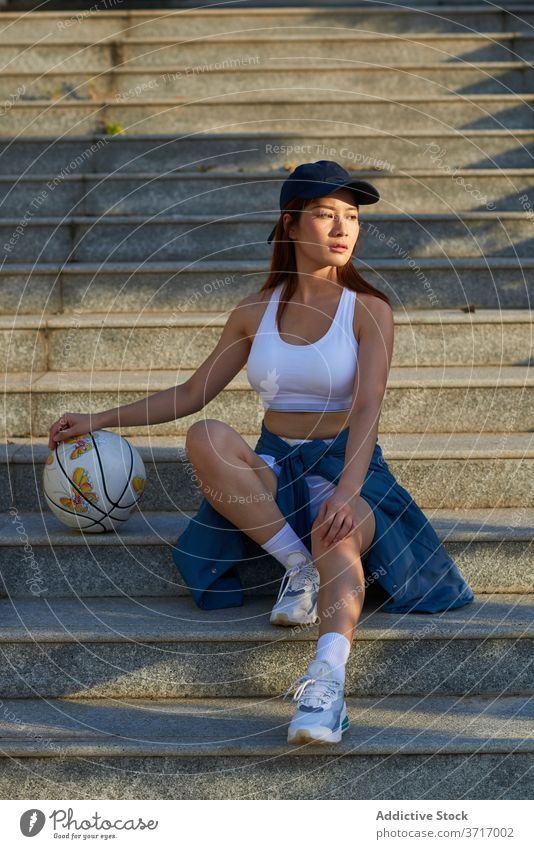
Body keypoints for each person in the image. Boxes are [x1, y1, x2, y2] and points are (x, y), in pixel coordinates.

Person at [48, 160, 474, 747]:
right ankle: (297, 568)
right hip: (275, 471)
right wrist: (95, 419)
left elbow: (369, 408)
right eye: (326, 214)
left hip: (346, 468)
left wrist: (347, 495)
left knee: (338, 533)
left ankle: (326, 686)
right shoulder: (255, 312)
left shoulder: (369, 310)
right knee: (205, 434)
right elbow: (192, 393)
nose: (342, 228)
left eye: (351, 217)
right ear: (291, 224)